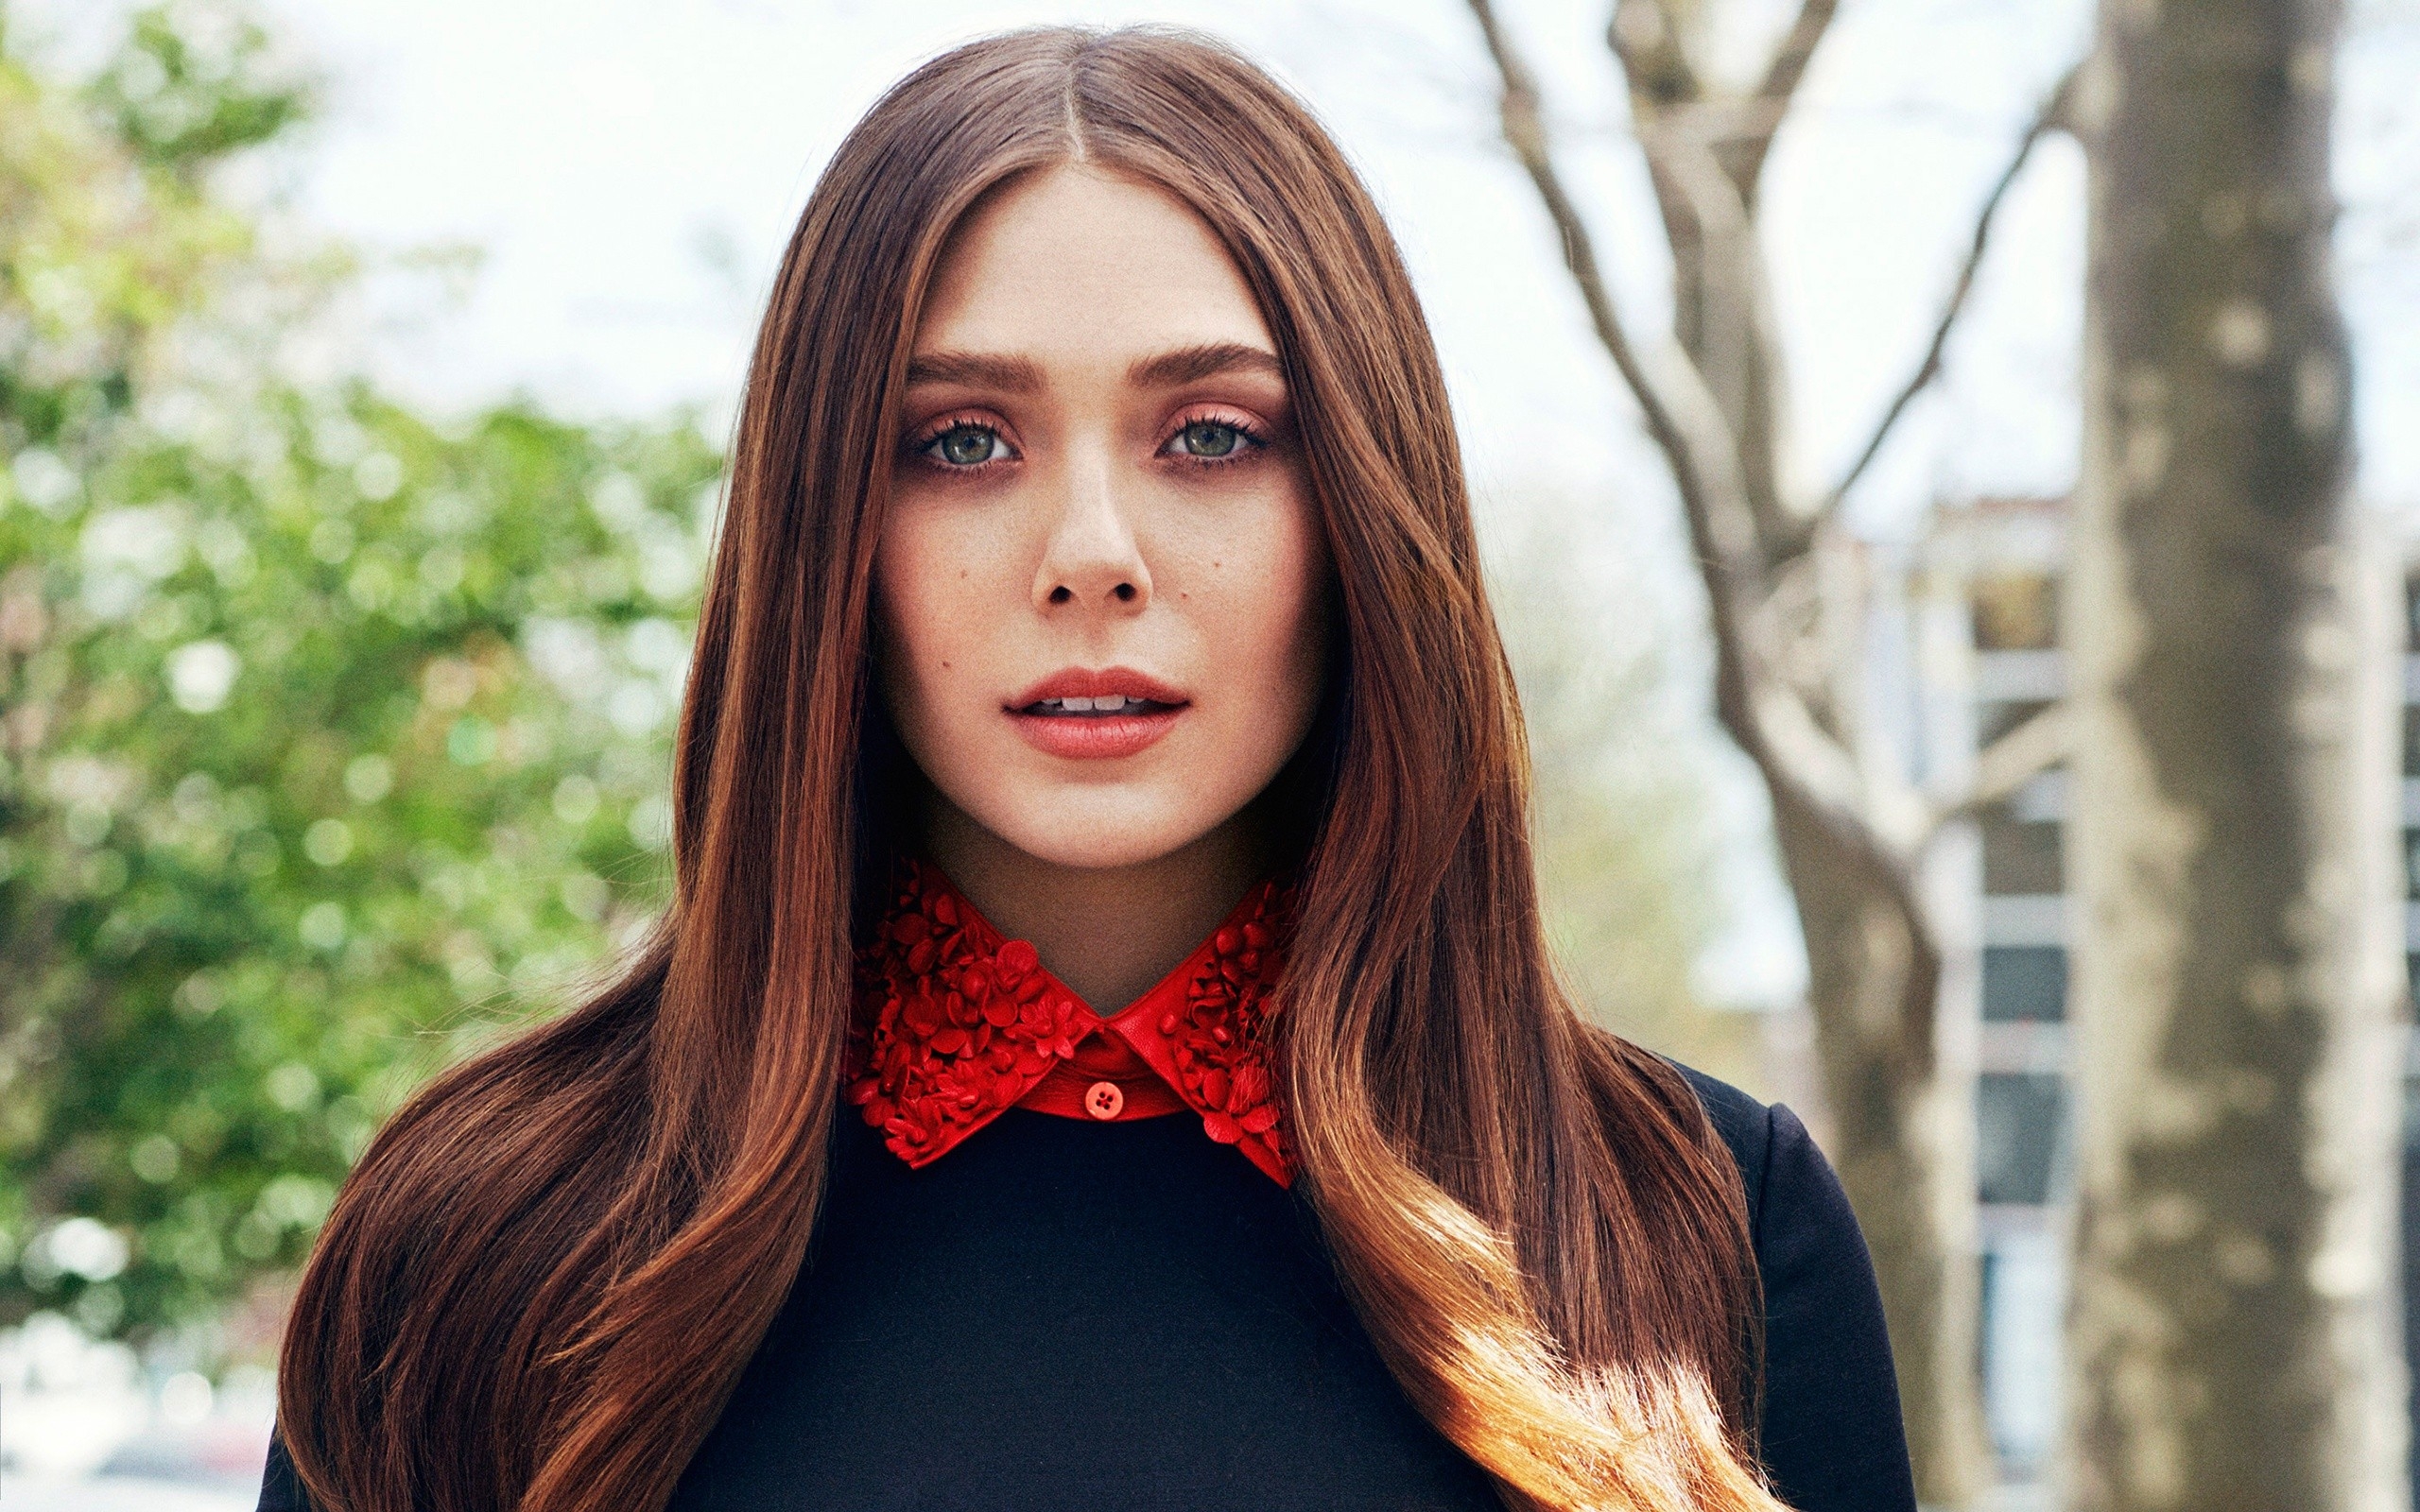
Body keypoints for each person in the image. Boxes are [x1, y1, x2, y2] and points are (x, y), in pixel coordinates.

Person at [257, 26, 1915, 1512]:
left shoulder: (1696, 1225)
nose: (1093, 555)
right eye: (962, 441)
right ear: (828, 526)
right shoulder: (483, 1241)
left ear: (1360, 506)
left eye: (1213, 436)